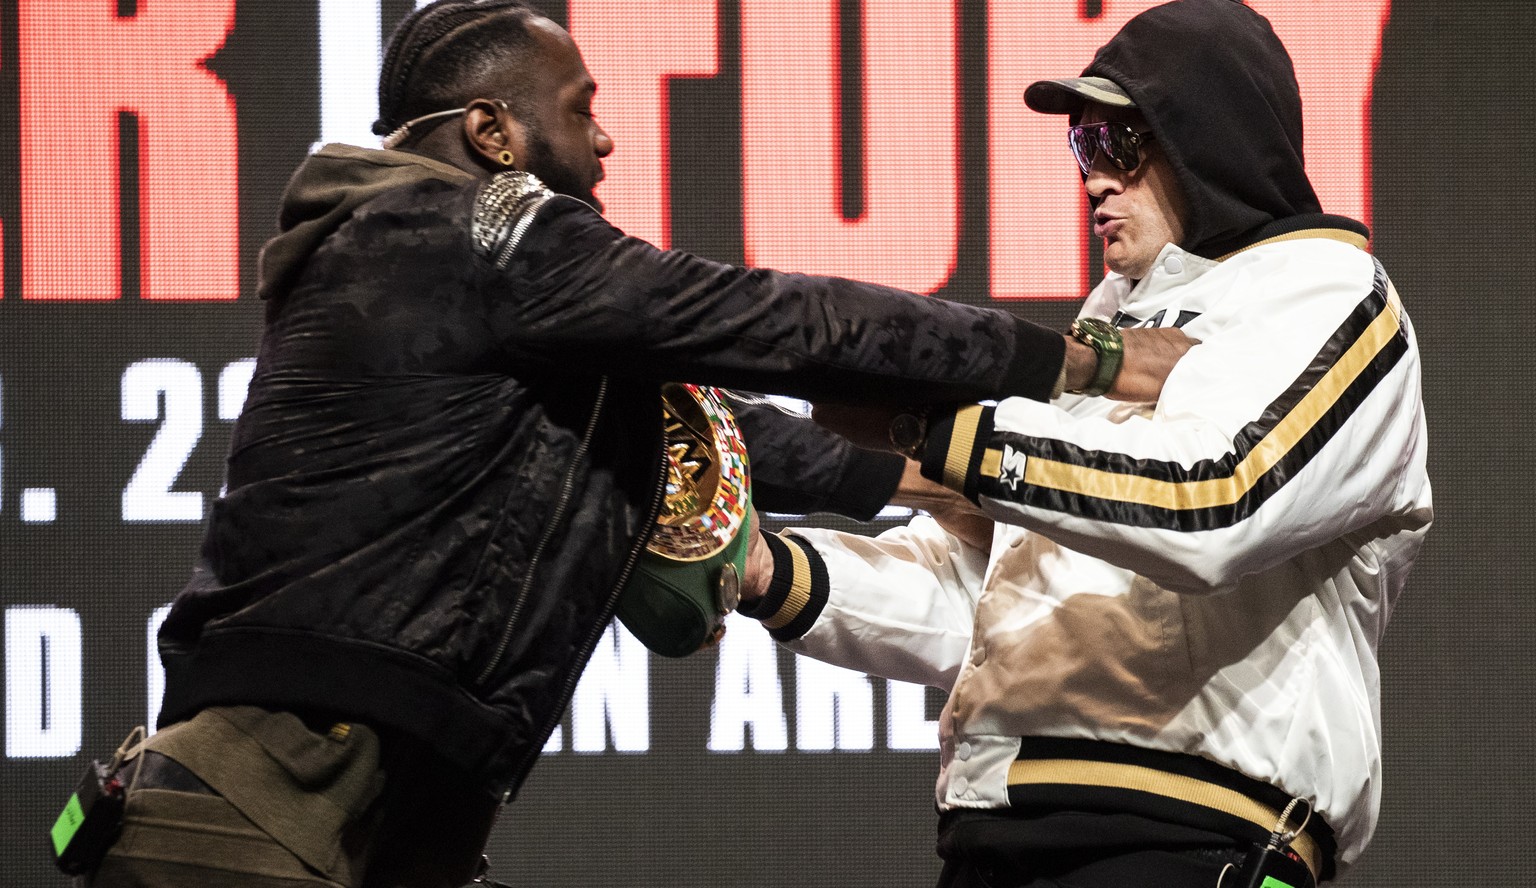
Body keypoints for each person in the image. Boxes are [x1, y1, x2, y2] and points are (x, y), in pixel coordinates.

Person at [71, 2, 1193, 886]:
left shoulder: (470, 283)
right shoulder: (469, 231)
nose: (606, 134)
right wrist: (1088, 365)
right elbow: (779, 322)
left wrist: (934, 482)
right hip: (268, 799)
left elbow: (701, 431)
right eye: (580, 105)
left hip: (364, 805)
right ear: (492, 133)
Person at [739, 1, 1433, 885]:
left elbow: (1212, 501)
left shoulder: (1328, 293)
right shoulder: (1109, 327)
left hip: (1192, 838)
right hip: (994, 830)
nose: (1094, 179)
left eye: (1120, 144)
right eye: (1082, 148)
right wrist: (764, 569)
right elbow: (990, 603)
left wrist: (932, 428)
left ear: (1205, 135)